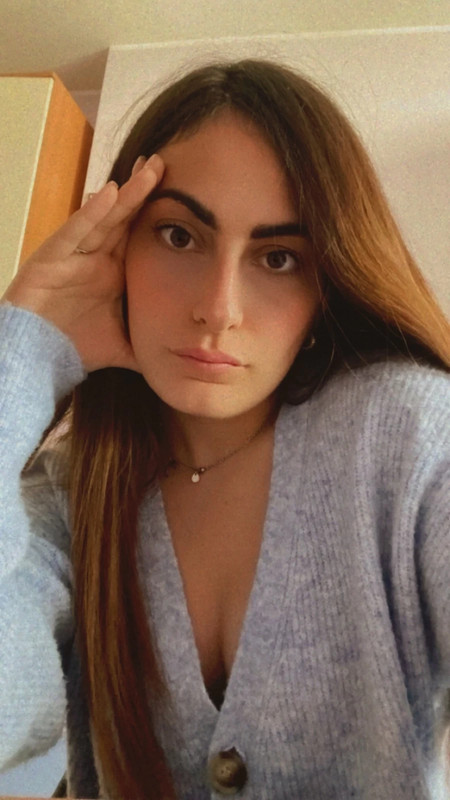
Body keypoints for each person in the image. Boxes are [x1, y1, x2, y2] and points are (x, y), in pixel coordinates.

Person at [0, 58, 449, 800]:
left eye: (278, 257)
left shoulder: (407, 437)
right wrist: (23, 348)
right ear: (119, 243)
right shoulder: (76, 492)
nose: (219, 307)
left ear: (326, 285)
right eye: (180, 236)